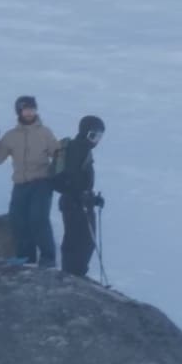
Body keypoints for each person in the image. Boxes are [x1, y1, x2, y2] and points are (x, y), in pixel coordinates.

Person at [0, 96, 61, 267]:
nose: (29, 113)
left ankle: (48, 257)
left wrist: (60, 165)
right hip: (20, 183)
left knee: (38, 218)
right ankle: (26, 257)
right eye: (26, 109)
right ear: (19, 112)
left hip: (42, 182)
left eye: (32, 109)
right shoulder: (11, 136)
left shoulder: (45, 132)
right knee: (17, 218)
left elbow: (57, 153)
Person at [54, 115, 105, 276]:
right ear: (85, 132)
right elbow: (69, 179)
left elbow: (80, 181)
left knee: (80, 240)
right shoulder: (77, 149)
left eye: (99, 136)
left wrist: (92, 198)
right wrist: (81, 195)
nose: (97, 140)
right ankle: (74, 273)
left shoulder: (82, 149)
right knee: (81, 241)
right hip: (76, 204)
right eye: (94, 135)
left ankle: (73, 272)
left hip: (78, 202)